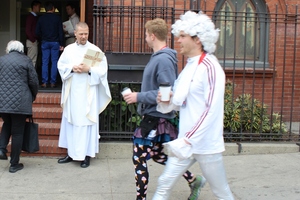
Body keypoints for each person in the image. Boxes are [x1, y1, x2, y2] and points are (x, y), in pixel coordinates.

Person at [152, 11, 235, 200]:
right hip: (186, 143)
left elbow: (211, 109)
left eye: (182, 36)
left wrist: (189, 138)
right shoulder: (190, 65)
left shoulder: (211, 67)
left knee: (221, 193)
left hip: (205, 145)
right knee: (164, 183)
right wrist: (167, 100)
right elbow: (182, 101)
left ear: (198, 39)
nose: (178, 40)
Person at [122, 18, 205, 200]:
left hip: (155, 117)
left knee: (139, 157)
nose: (145, 38)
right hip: (155, 116)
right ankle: (193, 180)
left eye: (146, 34)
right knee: (159, 155)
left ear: (152, 36)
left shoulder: (164, 60)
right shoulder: (161, 58)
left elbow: (167, 94)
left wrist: (138, 96)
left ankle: (141, 198)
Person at [57, 22, 111, 168]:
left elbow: (102, 71)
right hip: (73, 92)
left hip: (88, 94)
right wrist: (72, 68)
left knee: (86, 122)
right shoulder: (68, 50)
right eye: (81, 34)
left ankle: (86, 155)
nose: (83, 36)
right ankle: (71, 153)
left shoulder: (94, 50)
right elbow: (61, 66)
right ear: (75, 33)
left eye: (86, 34)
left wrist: (89, 69)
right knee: (72, 122)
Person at [0, 40, 39, 173]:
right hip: (20, 102)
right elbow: (33, 81)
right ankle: (14, 164)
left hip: (2, 102)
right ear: (21, 49)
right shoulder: (26, 61)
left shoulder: (1, 60)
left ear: (8, 49)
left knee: (7, 123)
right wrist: (33, 95)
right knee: (17, 132)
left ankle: (1, 149)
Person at [35, 1, 64, 88]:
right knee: (54, 62)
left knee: (45, 62)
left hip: (45, 42)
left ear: (46, 9)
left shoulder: (41, 18)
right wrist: (62, 43)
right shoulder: (57, 18)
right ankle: (53, 82)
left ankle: (44, 82)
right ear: (53, 8)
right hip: (55, 42)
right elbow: (60, 32)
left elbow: (37, 32)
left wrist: (42, 38)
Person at [25, 0, 41, 68]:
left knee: (33, 60)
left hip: (33, 41)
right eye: (39, 6)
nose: (39, 8)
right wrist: (33, 40)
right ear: (34, 6)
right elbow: (27, 30)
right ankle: (30, 78)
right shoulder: (30, 17)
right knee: (31, 61)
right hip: (32, 42)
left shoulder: (34, 17)